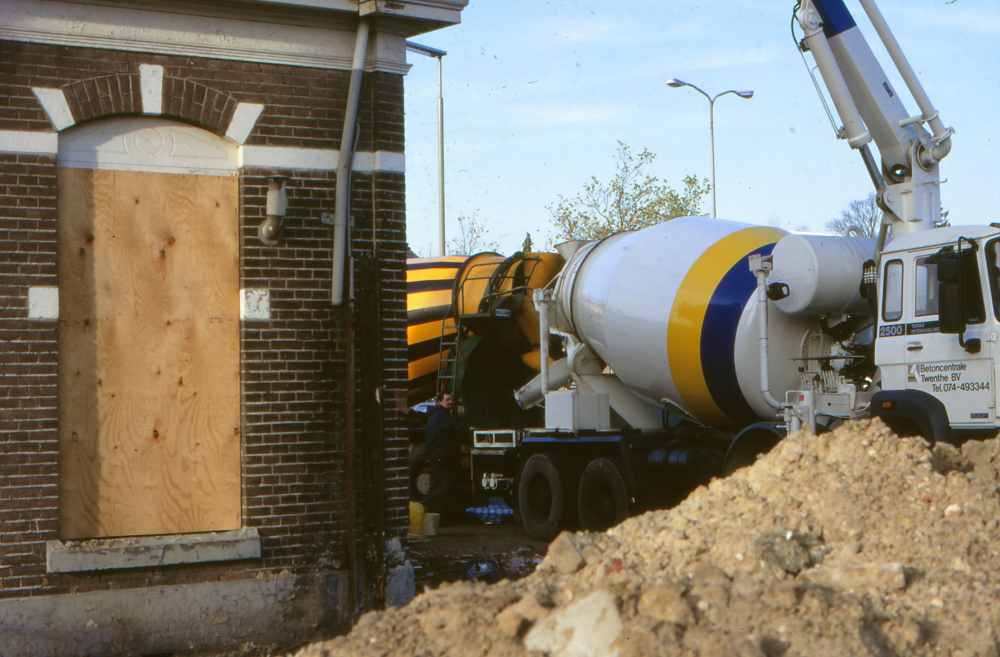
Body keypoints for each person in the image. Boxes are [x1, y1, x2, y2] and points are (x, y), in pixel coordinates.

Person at [421, 392, 471, 522]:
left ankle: (429, 522)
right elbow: (454, 426)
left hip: (435, 456)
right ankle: (423, 504)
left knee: (434, 488)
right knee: (450, 485)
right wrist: (470, 428)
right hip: (439, 457)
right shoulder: (440, 416)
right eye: (447, 399)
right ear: (439, 402)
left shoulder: (438, 415)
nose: (450, 402)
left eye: (451, 399)